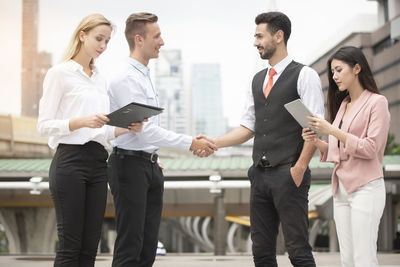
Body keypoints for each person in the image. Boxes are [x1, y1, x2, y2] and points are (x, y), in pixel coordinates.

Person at [198, 11, 324, 267]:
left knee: (297, 250)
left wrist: (299, 168)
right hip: (260, 174)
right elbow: (248, 127)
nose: (255, 42)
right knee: (262, 252)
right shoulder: (257, 80)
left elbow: (314, 127)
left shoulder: (304, 75)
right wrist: (215, 143)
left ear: (278, 36)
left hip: (289, 172)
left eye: (259, 35)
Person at [107, 12, 217, 267]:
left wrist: (151, 157)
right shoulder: (126, 78)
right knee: (130, 246)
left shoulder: (144, 75)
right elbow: (142, 130)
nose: (162, 42)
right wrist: (191, 142)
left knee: (147, 247)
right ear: (139, 39)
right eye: (157, 36)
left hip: (147, 165)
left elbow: (149, 129)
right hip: (129, 166)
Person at [37, 14, 144, 267]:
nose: (102, 46)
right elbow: (43, 126)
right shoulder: (59, 73)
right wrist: (81, 121)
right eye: (98, 38)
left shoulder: (100, 79)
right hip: (70, 162)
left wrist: (126, 128)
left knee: (89, 248)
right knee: (70, 246)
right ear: (82, 35)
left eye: (107, 41)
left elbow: (102, 131)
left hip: (98, 162)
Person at [302, 46, 390, 267]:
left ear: (357, 68)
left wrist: (331, 130)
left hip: (366, 188)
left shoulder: (377, 103)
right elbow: (338, 150)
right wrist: (316, 141)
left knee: (364, 258)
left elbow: (370, 148)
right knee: (347, 259)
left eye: (339, 70)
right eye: (332, 72)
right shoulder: (343, 104)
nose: (334, 76)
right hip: (341, 189)